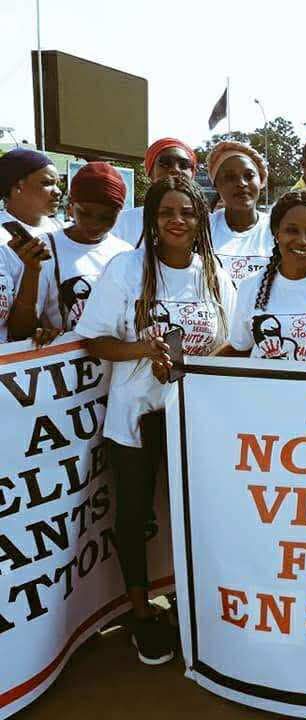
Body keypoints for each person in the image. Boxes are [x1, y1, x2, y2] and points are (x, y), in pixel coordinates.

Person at [74, 176, 235, 665]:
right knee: (135, 514)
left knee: (199, 515)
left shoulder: (214, 273)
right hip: (136, 415)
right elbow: (95, 340)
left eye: (187, 211)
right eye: (166, 212)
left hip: (196, 419)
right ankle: (142, 613)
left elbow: (231, 344)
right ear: (151, 219)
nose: (177, 220)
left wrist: (193, 370)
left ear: (200, 218)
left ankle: (192, 606)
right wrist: (144, 351)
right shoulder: (127, 268)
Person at [223, 190, 306, 363]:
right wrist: (195, 370)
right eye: (292, 230)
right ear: (276, 233)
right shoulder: (251, 286)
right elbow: (239, 347)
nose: (302, 240)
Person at [7, 162, 132, 341]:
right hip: (66, 358)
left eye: (106, 217)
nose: (94, 224)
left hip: (114, 357)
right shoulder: (45, 247)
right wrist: (32, 271)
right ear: (71, 206)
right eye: (85, 213)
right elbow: (20, 331)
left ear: (120, 213)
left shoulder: (125, 253)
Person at [0, 149, 63, 342]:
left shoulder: (63, 230)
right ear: (17, 187)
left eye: (58, 183)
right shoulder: (3, 238)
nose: (58, 191)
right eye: (47, 183)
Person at [206, 141, 273, 283]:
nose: (241, 183)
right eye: (230, 177)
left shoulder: (277, 229)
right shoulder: (203, 229)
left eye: (249, 176)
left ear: (261, 181)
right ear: (216, 185)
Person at [111, 138, 197, 246]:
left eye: (184, 165)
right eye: (165, 163)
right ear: (150, 172)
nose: (175, 169)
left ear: (193, 174)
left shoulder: (210, 223)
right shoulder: (122, 223)